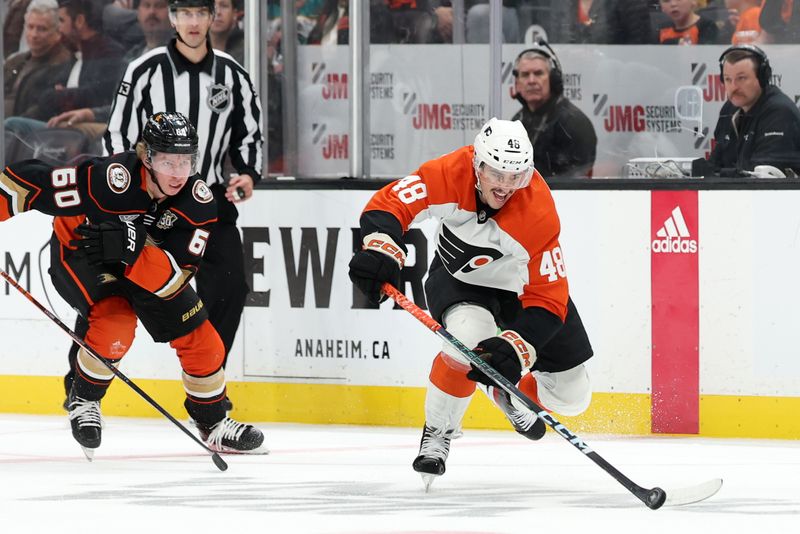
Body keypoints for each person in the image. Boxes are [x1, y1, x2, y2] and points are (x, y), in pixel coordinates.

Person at [0, 111, 265, 457]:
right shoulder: (110, 179)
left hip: (146, 271)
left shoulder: (198, 204)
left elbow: (175, 279)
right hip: (83, 253)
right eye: (168, 162)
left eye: (185, 161)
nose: (177, 173)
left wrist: (133, 246)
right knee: (115, 325)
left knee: (205, 342)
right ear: (147, 157)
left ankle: (213, 423)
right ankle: (84, 399)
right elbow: (31, 183)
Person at [348, 118, 594, 489]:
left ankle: (510, 396)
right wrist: (381, 244)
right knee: (465, 342)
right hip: (461, 281)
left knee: (574, 396)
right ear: (477, 164)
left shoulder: (538, 212)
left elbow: (549, 297)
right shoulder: (449, 172)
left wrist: (517, 349)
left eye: (516, 176)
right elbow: (393, 202)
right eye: (497, 173)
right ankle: (440, 431)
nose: (506, 186)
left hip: (520, 291)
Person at [80, 0, 263, 414]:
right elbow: (118, 136)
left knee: (230, 287)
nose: (194, 23)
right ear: (173, 18)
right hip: (143, 198)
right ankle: (83, 387)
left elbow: (248, 133)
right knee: (109, 285)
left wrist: (249, 172)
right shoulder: (144, 70)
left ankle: (209, 392)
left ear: (214, 17)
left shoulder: (233, 74)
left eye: (201, 14)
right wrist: (125, 194)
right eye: (185, 14)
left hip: (207, 201)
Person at [45, 0, 173, 136]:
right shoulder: (131, 57)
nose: (151, 12)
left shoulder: (177, 56)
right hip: (119, 124)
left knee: (66, 132)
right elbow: (119, 104)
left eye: (159, 6)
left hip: (152, 133)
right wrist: (89, 114)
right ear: (138, 13)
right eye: (146, 6)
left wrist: (90, 114)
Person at [699, 44, 800, 176]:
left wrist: (718, 174)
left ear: (762, 78)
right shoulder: (729, 109)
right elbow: (713, 165)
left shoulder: (780, 112)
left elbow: (758, 176)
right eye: (728, 79)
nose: (733, 87)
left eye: (741, 78)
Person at [510, 41, 596, 180]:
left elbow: (576, 184)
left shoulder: (574, 123)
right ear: (517, 83)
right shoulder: (516, 122)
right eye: (525, 75)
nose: (531, 80)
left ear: (553, 80)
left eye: (538, 73)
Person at [4, 0, 72, 119]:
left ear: (58, 31)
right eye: (30, 27)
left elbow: (39, 111)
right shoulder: (14, 61)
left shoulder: (63, 65)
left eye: (42, 29)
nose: (34, 34)